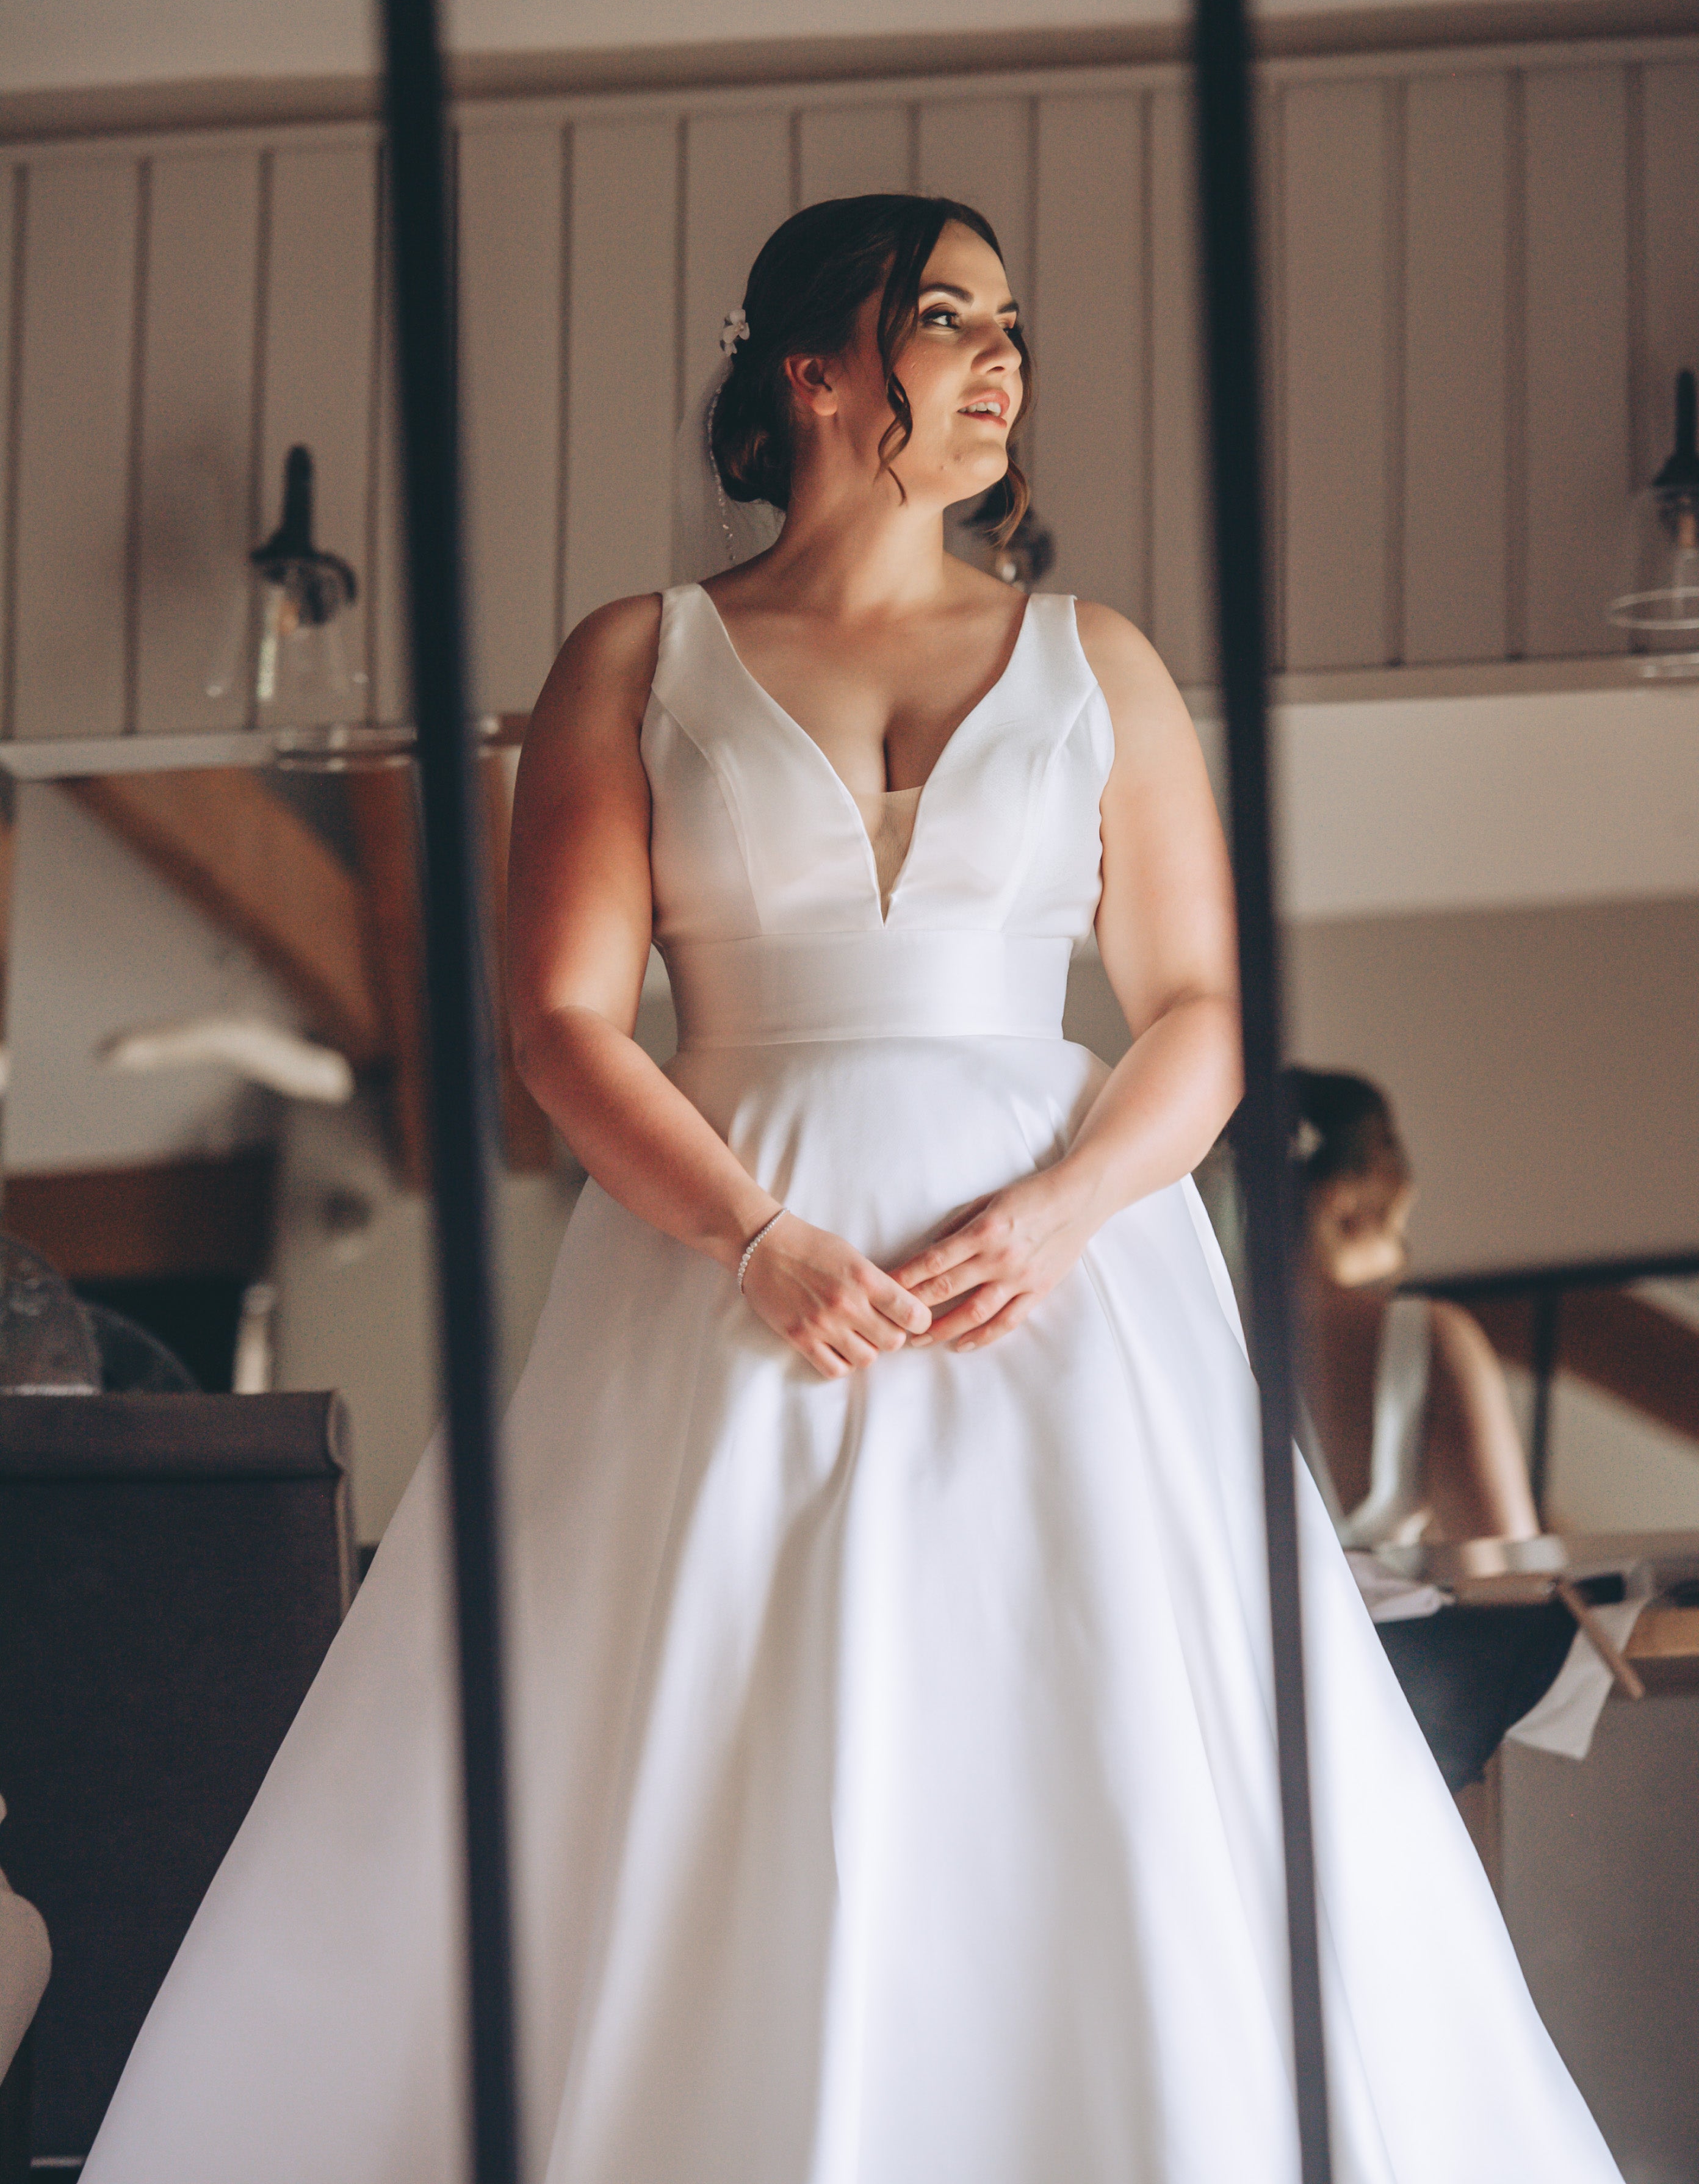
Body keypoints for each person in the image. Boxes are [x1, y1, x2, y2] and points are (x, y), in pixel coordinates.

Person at [82, 195, 1620, 2180]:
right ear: (815, 367)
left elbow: (1201, 1012)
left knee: (1100, 1739)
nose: (1002, 362)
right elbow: (560, 1023)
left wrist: (1058, 1213)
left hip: (1062, 1287)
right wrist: (756, 1235)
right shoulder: (637, 653)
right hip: (730, 1259)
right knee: (701, 1727)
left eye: (1012, 329)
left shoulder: (1098, 661)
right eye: (951, 318)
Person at [1285, 1069, 1540, 1547]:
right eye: (1391, 1159)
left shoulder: (1192, 1332)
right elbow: (1511, 1579)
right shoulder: (1428, 1338)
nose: (1410, 1190)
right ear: (1340, 1197)